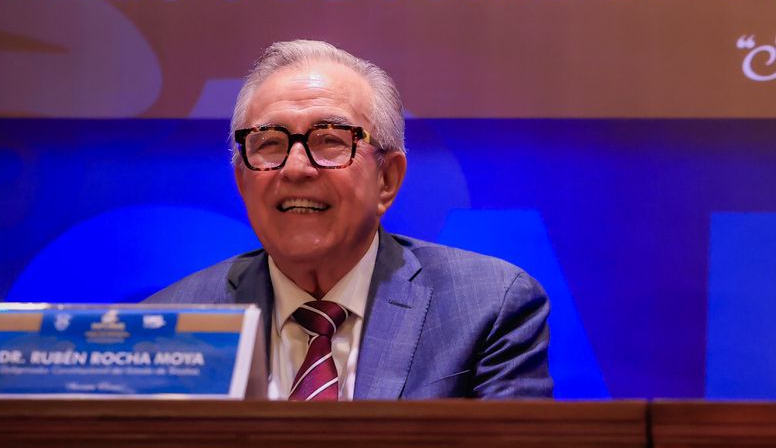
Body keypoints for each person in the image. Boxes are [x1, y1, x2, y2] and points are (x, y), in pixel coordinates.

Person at [149, 39, 552, 399]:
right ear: (242, 181)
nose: (296, 168)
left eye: (330, 140)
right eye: (269, 143)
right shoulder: (170, 324)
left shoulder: (486, 307)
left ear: (387, 179)